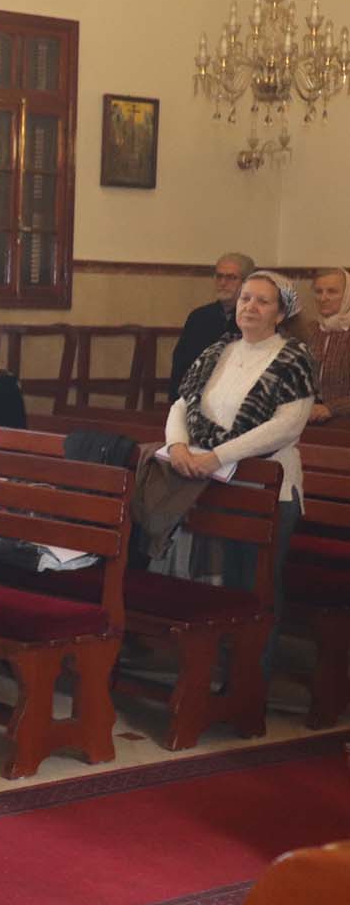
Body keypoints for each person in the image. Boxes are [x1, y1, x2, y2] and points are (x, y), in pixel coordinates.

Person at [164, 270, 315, 671]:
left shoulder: (293, 357)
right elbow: (183, 403)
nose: (250, 307)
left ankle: (250, 679)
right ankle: (211, 673)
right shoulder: (220, 349)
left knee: (255, 586)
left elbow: (286, 426)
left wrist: (217, 456)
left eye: (262, 301)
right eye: (246, 298)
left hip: (269, 488)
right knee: (219, 589)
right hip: (216, 484)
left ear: (280, 313)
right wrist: (177, 445)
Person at [169, 251, 254, 400]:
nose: (223, 283)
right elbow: (181, 365)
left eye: (231, 277)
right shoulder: (199, 317)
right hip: (195, 398)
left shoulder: (256, 319)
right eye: (219, 276)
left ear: (247, 282)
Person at [296, 267, 350, 424]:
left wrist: (331, 408)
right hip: (308, 421)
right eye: (318, 291)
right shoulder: (309, 330)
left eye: (332, 291)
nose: (323, 298)